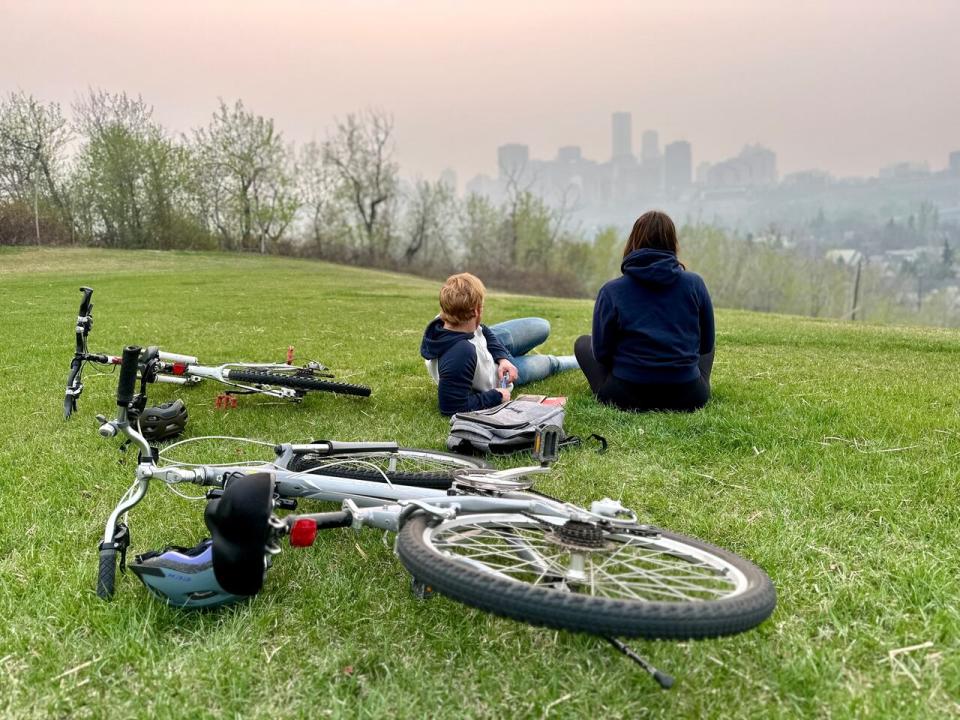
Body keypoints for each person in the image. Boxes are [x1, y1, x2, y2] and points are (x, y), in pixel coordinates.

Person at [574, 210, 715, 412]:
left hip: (625, 396)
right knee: (708, 343)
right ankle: (693, 382)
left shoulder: (611, 291)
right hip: (689, 396)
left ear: (633, 242)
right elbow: (706, 345)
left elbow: (602, 354)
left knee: (582, 344)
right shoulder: (695, 284)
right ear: (672, 243)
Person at [420, 272, 579, 415]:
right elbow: (451, 407)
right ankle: (584, 358)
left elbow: (483, 330)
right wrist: (496, 395)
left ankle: (506, 357)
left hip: (495, 355)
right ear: (476, 311)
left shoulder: (449, 317)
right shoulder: (459, 354)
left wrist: (503, 358)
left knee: (542, 326)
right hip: (500, 376)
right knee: (552, 363)